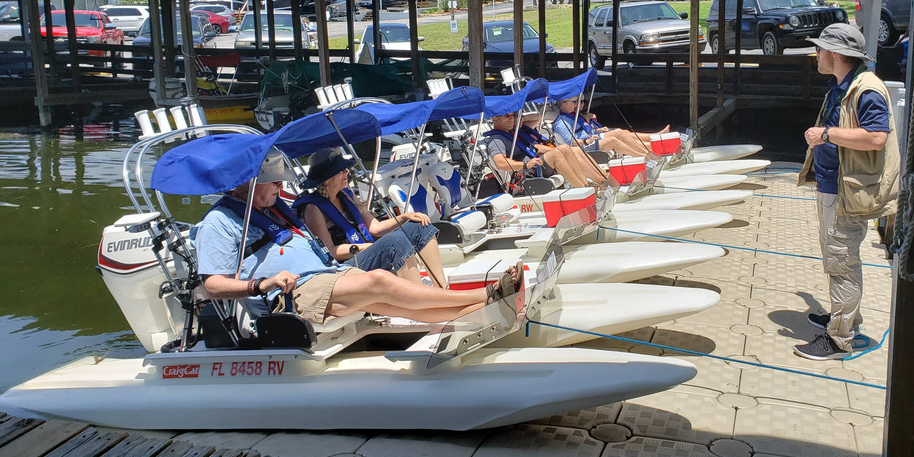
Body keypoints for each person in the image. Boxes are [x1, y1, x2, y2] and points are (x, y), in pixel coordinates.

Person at [194, 151, 522, 327]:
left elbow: (372, 227)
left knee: (395, 304)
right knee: (379, 280)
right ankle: (489, 294)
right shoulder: (219, 222)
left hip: (325, 278)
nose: (280, 190)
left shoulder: (273, 209)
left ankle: (483, 310)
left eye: (280, 184)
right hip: (295, 295)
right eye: (274, 185)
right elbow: (213, 285)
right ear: (248, 183)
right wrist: (261, 285)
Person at [795, 23, 900, 361]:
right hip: (834, 186)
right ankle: (844, 317)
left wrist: (825, 135)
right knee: (836, 257)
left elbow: (876, 138)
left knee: (841, 262)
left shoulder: (867, 89)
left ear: (837, 54)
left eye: (821, 49)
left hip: (847, 192)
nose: (817, 55)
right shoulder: (844, 85)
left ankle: (840, 339)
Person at [292, 147, 448, 288]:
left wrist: (404, 217)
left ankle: (441, 288)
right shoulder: (313, 209)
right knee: (395, 241)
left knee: (420, 226)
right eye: (341, 171)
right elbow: (331, 252)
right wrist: (369, 247)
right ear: (326, 179)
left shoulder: (347, 195)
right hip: (345, 266)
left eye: (346, 170)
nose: (347, 173)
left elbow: (375, 227)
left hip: (365, 252)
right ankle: (420, 297)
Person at [485, 111, 605, 190]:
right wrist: (526, 164)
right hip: (524, 175)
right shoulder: (496, 140)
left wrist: (520, 115)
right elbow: (500, 163)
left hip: (535, 165)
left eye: (514, 115)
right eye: (508, 116)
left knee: (565, 148)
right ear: (495, 118)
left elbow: (538, 117)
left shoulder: (513, 133)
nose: (512, 119)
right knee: (556, 155)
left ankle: (588, 185)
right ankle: (583, 189)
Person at [552, 96, 663, 158]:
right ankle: (646, 155)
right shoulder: (562, 122)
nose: (578, 104)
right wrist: (587, 141)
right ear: (566, 103)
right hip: (584, 147)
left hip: (591, 138)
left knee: (619, 132)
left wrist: (596, 130)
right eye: (575, 102)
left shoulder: (572, 116)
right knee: (616, 136)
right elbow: (570, 142)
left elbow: (583, 131)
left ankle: (650, 150)